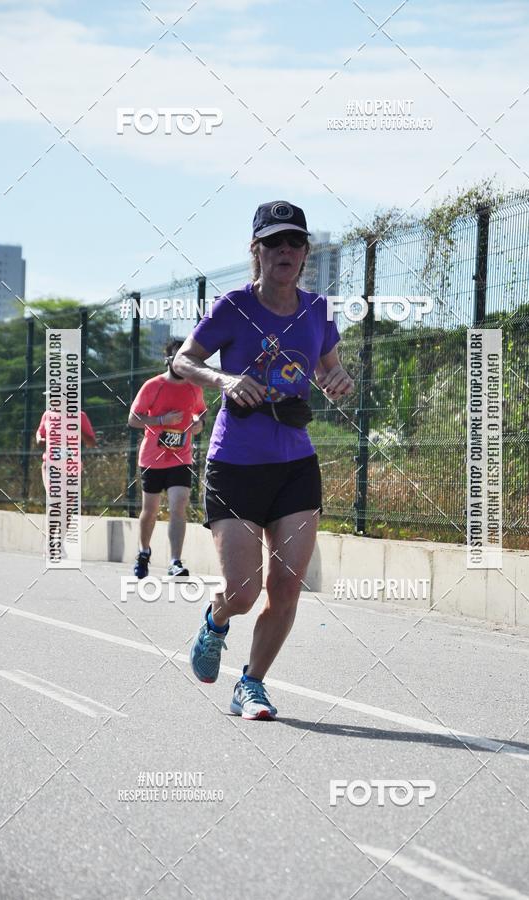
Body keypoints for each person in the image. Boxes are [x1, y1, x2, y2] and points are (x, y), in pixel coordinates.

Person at [173, 200, 354, 720]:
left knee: (287, 587)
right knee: (245, 590)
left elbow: (330, 369)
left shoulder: (317, 309)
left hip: (296, 464)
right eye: (274, 242)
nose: (286, 251)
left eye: (295, 242)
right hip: (236, 464)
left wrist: (338, 381)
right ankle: (215, 619)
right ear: (256, 250)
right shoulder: (232, 306)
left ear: (305, 253)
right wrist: (224, 379)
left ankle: (251, 683)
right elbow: (184, 361)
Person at [128, 338, 206, 579]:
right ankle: (144, 551)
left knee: (178, 506)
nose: (181, 362)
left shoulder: (194, 387)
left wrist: (197, 426)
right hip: (152, 458)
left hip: (181, 458)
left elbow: (201, 416)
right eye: (176, 357)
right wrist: (161, 421)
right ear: (168, 360)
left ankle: (175, 561)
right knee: (150, 510)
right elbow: (133, 419)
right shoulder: (154, 386)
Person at [36, 404, 97, 492]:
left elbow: (92, 443)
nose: (50, 399)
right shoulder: (47, 415)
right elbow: (39, 432)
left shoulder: (80, 416)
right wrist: (39, 439)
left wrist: (77, 430)